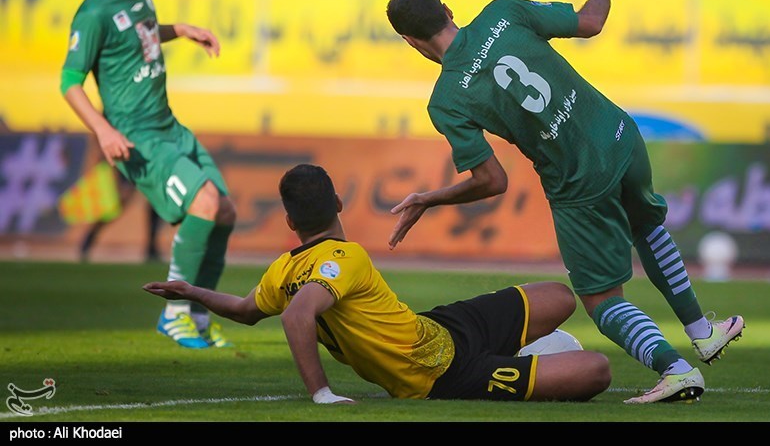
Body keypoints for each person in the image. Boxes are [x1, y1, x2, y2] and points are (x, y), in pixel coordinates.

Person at [384, 0, 745, 404]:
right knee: (647, 226)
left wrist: (430, 198)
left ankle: (675, 370)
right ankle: (702, 332)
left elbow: (493, 181)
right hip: (620, 135)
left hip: (578, 181)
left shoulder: (446, 101)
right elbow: (590, 22)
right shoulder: (502, 12)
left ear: (410, 42)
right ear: (447, 9)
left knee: (601, 299)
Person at [143, 163, 612, 404]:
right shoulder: (344, 257)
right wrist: (321, 393)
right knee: (596, 371)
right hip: (441, 379)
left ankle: (520, 353)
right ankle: (519, 362)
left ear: (289, 221)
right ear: (339, 203)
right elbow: (298, 315)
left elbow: (246, 311)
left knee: (559, 296)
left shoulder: (281, 271)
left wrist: (192, 291)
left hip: (440, 328)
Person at [60, 0, 236, 349]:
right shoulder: (93, 13)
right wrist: (103, 131)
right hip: (137, 138)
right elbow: (69, 82)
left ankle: (197, 316)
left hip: (169, 126)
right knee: (205, 202)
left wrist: (182, 30)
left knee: (225, 212)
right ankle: (173, 315)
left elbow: (142, 35)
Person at [79, 163, 163, 264]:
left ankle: (151, 247)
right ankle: (89, 238)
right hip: (131, 163)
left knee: (155, 203)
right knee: (118, 204)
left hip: (149, 164)